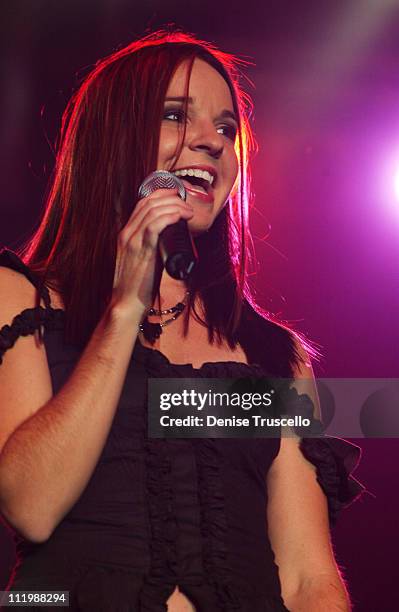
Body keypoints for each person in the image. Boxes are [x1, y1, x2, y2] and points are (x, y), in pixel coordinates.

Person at [0, 30, 366, 611]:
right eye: (176, 116)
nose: (212, 143)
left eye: (226, 129)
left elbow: (306, 578)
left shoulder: (272, 355)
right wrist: (124, 311)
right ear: (113, 139)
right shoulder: (23, 299)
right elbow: (32, 505)